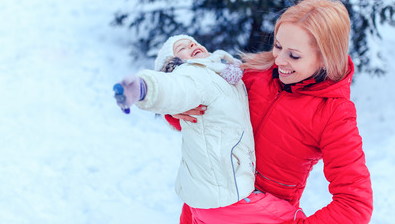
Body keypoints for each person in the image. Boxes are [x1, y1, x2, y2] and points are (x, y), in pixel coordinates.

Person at [169, 0, 374, 223]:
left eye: (294, 55)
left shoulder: (333, 113)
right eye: (277, 46)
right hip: (205, 206)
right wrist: (179, 107)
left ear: (325, 58)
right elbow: (208, 123)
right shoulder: (254, 75)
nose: (279, 59)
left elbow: (355, 204)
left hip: (259, 214)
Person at [114, 35, 305, 223]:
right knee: (293, 219)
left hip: (214, 194)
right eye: (182, 49)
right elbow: (174, 88)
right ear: (174, 65)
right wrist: (143, 88)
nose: (191, 45)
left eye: (193, 43)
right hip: (223, 196)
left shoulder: (221, 75)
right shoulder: (194, 75)